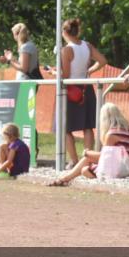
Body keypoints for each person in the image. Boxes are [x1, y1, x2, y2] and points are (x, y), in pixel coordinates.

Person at [47, 18, 107, 168]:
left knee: (65, 127)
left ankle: (74, 160)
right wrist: (89, 71)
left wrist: (54, 73)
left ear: (64, 32)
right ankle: (87, 159)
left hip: (70, 89)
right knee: (88, 126)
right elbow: (102, 60)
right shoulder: (87, 45)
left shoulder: (66, 50)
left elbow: (65, 74)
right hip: (85, 88)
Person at [48, 103, 129, 186]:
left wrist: (87, 153)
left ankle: (65, 179)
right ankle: (65, 179)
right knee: (85, 168)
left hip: (122, 168)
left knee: (85, 168)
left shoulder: (112, 134)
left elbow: (105, 158)